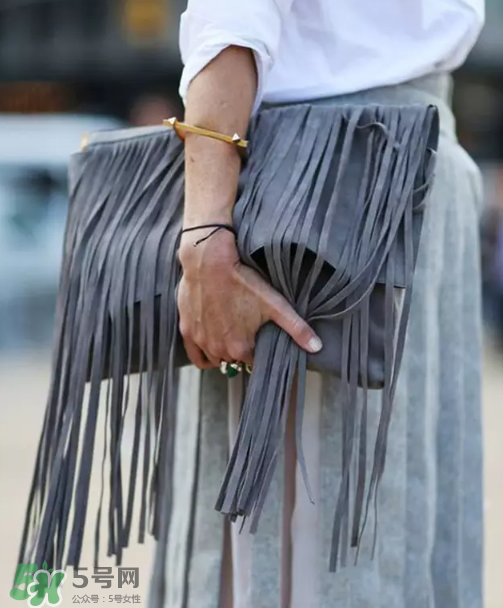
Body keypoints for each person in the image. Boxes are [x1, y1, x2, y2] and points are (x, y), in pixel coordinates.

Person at [150, 1, 486, 607]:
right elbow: (233, 21)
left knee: (363, 516)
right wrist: (206, 236)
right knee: (328, 524)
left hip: (367, 181)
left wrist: (206, 233)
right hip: (319, 189)